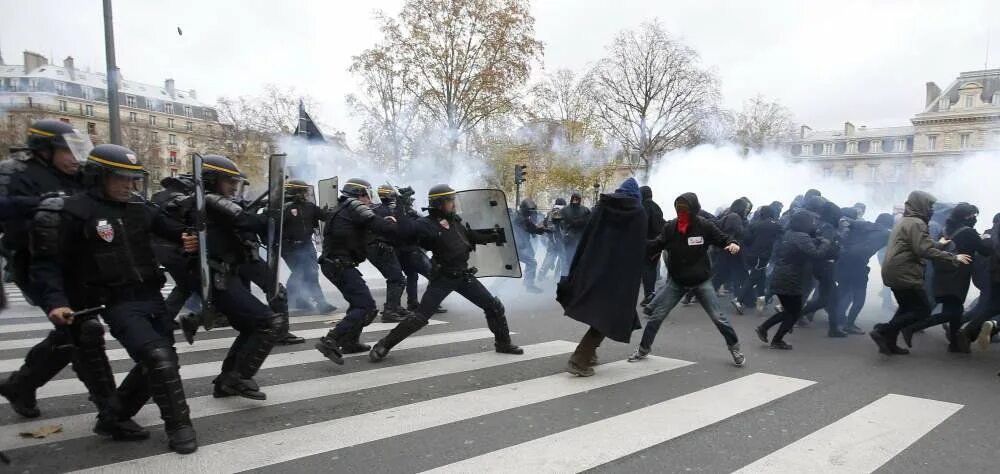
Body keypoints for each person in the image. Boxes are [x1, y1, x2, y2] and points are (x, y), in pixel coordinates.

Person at [29, 144, 199, 453]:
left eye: (133, 179)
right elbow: (48, 263)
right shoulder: (74, 211)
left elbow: (172, 228)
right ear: (99, 176)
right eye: (120, 178)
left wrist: (189, 235)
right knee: (158, 359)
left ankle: (113, 416)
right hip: (114, 300)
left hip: (151, 296)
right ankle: (179, 426)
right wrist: (56, 301)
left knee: (161, 361)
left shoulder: (140, 208)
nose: (129, 185)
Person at [0, 120, 92, 419]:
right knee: (76, 329)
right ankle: (108, 402)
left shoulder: (78, 176)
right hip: (35, 262)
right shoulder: (16, 172)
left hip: (76, 262)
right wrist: (47, 204)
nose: (73, 157)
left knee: (76, 332)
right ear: (44, 150)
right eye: (66, 150)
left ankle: (21, 384)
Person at [369, 184, 523, 361]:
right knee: (419, 318)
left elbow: (465, 237)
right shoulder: (426, 224)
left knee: (494, 306)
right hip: (443, 278)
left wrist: (491, 236)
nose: (454, 204)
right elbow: (403, 232)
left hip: (463, 276)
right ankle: (383, 345)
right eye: (450, 200)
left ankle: (503, 343)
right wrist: (402, 206)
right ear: (440, 203)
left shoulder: (453, 220)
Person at [184, 154, 286, 399]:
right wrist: (272, 215)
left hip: (227, 273)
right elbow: (246, 221)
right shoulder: (211, 200)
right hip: (219, 276)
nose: (233, 186)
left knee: (251, 325)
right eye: (229, 181)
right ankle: (238, 377)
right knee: (266, 322)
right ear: (211, 179)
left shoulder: (210, 202)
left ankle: (225, 381)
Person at [628, 192, 746, 367]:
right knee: (656, 317)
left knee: (718, 317)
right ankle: (643, 349)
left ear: (694, 209)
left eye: (685, 209)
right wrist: (636, 243)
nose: (681, 212)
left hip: (701, 280)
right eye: (679, 209)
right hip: (678, 281)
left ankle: (735, 348)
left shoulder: (704, 226)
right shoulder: (671, 228)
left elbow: (723, 238)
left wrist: (733, 243)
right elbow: (656, 244)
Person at [558, 178, 646, 376]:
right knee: (609, 315)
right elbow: (636, 248)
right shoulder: (638, 213)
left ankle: (590, 354)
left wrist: (579, 266)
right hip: (619, 275)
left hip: (595, 266)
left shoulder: (603, 206)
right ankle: (579, 360)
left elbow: (588, 236)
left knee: (603, 312)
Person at [314, 178, 406, 363]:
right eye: (366, 194)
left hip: (334, 264)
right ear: (360, 194)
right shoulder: (354, 206)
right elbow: (377, 224)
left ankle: (350, 341)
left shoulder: (342, 208)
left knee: (359, 304)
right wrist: (395, 225)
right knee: (365, 306)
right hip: (340, 265)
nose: (368, 199)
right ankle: (331, 339)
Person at [870, 191, 971, 355]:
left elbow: (920, 242)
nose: (931, 209)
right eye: (929, 205)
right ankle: (883, 331)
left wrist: (939, 244)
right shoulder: (917, 223)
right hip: (904, 271)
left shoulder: (907, 221)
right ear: (921, 205)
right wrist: (953, 257)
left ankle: (889, 342)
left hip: (895, 270)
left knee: (905, 307)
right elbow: (923, 249)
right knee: (922, 310)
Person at [902, 203, 992, 352]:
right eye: (973, 216)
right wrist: (987, 238)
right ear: (966, 216)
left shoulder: (946, 229)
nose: (975, 219)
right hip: (957, 278)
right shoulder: (969, 232)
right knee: (952, 312)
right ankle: (912, 327)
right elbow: (985, 251)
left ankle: (954, 345)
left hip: (943, 275)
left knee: (954, 310)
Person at [755, 212, 836, 350]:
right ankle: (775, 338)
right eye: (811, 222)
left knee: (790, 311)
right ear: (805, 223)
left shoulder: (790, 233)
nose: (814, 224)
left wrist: (817, 240)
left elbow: (804, 246)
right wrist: (826, 243)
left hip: (781, 274)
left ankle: (765, 328)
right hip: (790, 278)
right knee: (794, 312)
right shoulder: (802, 236)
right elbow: (816, 254)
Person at [282, 179, 337, 314]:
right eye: (303, 191)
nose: (305, 194)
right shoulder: (283, 208)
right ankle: (293, 298)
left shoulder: (309, 206)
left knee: (311, 272)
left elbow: (325, 216)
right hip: (290, 248)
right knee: (301, 272)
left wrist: (337, 211)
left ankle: (303, 300)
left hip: (307, 245)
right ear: (295, 192)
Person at [835, 212, 893, 334]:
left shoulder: (864, 224)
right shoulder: (887, 234)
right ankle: (849, 324)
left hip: (844, 261)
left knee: (845, 293)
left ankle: (838, 321)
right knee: (859, 297)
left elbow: (844, 218)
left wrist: (844, 234)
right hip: (859, 265)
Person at [367, 184, 415, 321]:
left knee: (396, 278)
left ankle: (395, 306)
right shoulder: (386, 210)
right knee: (397, 279)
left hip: (379, 248)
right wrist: (403, 204)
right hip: (381, 248)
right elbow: (399, 224)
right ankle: (390, 311)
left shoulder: (377, 209)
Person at [961, 213, 1000, 351]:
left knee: (991, 307)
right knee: (987, 307)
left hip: (992, 276)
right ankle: (992, 326)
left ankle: (967, 332)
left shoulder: (989, 234)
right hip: (989, 276)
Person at [735, 204, 783, 314]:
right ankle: (738, 300)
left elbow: (746, 239)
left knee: (761, 279)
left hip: (751, 255)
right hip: (762, 256)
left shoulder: (755, 224)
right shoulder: (775, 225)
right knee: (753, 278)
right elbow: (783, 236)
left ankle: (760, 306)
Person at [512, 199, 547, 293]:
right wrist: (544, 229)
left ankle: (494, 288)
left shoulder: (520, 216)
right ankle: (529, 285)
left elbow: (532, 228)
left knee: (527, 262)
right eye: (529, 212)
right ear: (524, 210)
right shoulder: (520, 218)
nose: (530, 214)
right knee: (532, 263)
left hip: (519, 245)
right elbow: (532, 228)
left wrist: (543, 229)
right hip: (516, 247)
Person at [639, 186, 666, 305]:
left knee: (646, 268)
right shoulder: (657, 207)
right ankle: (651, 293)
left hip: (647, 242)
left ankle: (649, 295)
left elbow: (641, 224)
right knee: (652, 268)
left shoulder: (644, 206)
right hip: (657, 242)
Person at [560, 193, 591, 275]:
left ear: (580, 200)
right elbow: (560, 223)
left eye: (577, 199)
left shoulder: (585, 210)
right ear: (571, 199)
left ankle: (577, 275)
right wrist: (568, 226)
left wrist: (581, 222)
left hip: (581, 238)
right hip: (569, 237)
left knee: (581, 258)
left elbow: (590, 223)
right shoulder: (564, 210)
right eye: (574, 199)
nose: (575, 200)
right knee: (568, 259)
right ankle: (567, 276)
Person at [538, 197, 566, 280]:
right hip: (559, 239)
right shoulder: (563, 212)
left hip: (551, 239)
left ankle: (541, 275)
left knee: (549, 257)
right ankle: (557, 276)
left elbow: (544, 224)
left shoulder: (549, 213)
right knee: (562, 258)